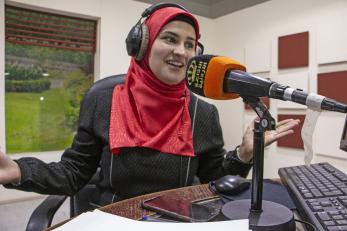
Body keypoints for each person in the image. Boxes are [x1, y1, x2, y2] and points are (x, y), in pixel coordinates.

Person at [0, 4, 299, 207]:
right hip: (113, 219)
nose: (181, 52)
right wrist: (18, 171)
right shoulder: (102, 98)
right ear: (142, 44)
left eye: (189, 44)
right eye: (170, 39)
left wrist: (244, 155)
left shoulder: (203, 113)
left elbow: (212, 182)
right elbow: (73, 173)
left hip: (178, 220)